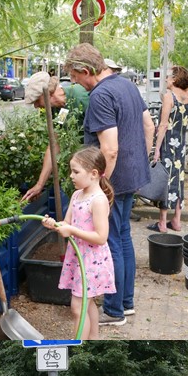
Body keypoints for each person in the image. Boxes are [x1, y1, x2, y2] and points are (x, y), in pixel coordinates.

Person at [65, 43, 153, 328]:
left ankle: (114, 310)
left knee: (111, 240)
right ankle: (126, 303)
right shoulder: (126, 85)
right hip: (132, 174)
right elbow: (147, 124)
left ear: (88, 71)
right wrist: (144, 158)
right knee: (123, 237)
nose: (76, 84)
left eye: (77, 78)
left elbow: (109, 149)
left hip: (113, 178)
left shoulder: (101, 96)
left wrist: (100, 185)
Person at [41, 145, 115, 340]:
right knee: (87, 304)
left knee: (77, 308)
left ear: (93, 174)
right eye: (71, 171)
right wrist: (54, 224)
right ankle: (94, 340)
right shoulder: (76, 195)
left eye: (75, 172)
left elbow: (101, 237)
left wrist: (72, 230)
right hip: (78, 257)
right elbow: (67, 223)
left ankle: (76, 348)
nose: (71, 176)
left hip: (92, 261)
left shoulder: (98, 200)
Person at [21, 71, 90, 203]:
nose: (36, 106)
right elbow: (54, 144)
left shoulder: (81, 97)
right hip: (80, 168)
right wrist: (39, 185)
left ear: (48, 93)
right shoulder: (58, 110)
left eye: (37, 100)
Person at [150, 66, 188, 233]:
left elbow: (163, 125)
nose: (166, 79)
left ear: (174, 79)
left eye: (168, 76)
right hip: (181, 144)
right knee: (179, 179)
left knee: (165, 179)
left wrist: (157, 148)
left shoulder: (169, 97)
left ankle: (162, 222)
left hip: (169, 143)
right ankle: (176, 220)